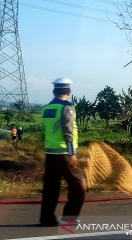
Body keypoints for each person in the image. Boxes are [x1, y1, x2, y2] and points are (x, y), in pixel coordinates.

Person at [39, 77, 85, 227]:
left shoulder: (46, 108)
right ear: (68, 91)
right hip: (65, 154)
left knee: (51, 188)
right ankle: (69, 218)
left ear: (55, 90)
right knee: (78, 187)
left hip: (50, 154)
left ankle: (47, 219)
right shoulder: (66, 107)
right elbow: (68, 131)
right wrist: (72, 153)